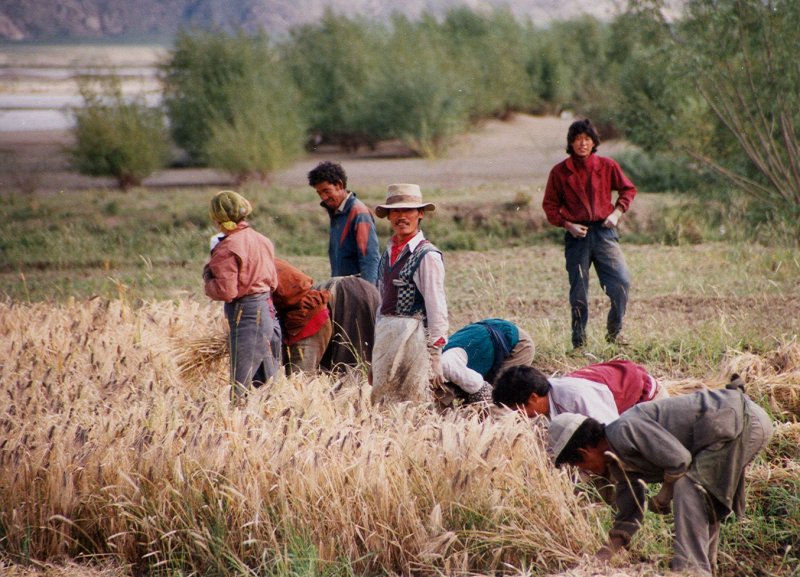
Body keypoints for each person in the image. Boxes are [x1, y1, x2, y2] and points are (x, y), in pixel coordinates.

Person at [548, 381, 774, 576]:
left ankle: (690, 571)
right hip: (728, 428)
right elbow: (630, 513)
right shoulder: (617, 463)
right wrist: (601, 557)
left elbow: (679, 461)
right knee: (701, 491)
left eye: (579, 465)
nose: (586, 472)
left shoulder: (625, 430)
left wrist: (664, 495)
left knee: (689, 487)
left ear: (584, 452)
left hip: (741, 421)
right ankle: (705, 565)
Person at [542, 118, 637, 349]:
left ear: (594, 142)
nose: (582, 144)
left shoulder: (607, 166)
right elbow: (550, 206)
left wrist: (616, 213)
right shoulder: (560, 172)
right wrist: (567, 224)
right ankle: (579, 342)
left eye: (587, 139)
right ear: (571, 143)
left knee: (621, 282)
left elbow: (628, 189)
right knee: (579, 292)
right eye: (577, 140)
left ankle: (615, 332)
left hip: (605, 232)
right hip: (577, 236)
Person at [370, 183, 449, 405]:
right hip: (387, 335)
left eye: (408, 211)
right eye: (395, 211)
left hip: (413, 337)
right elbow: (382, 302)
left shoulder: (427, 255)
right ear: (388, 216)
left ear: (420, 214)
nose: (401, 217)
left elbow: (436, 306)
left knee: (411, 400)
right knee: (383, 402)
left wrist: (435, 356)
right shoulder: (387, 254)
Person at [203, 190, 281, 399]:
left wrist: (208, 277)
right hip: (269, 314)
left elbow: (227, 291)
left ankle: (242, 430)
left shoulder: (227, 247)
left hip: (246, 317)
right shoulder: (263, 240)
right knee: (269, 387)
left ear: (218, 219)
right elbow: (273, 281)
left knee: (241, 390)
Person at [492, 360, 667, 424]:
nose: (517, 415)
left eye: (517, 409)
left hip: (647, 401)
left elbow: (614, 433)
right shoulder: (547, 402)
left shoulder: (576, 398)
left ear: (534, 398)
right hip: (618, 406)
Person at [308, 161, 381, 283]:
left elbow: (370, 259)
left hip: (356, 290)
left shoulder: (359, 213)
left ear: (339, 185)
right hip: (342, 287)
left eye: (326, 191)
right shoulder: (337, 211)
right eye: (319, 193)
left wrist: (368, 295)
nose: (323, 197)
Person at [440, 318, 535, 405]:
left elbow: (447, 364)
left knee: (499, 401)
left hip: (516, 343)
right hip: (486, 343)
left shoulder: (445, 361)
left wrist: (482, 388)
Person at [272, 258, 333, 374]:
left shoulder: (260, 265)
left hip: (308, 319)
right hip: (296, 318)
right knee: (291, 377)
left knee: (300, 378)